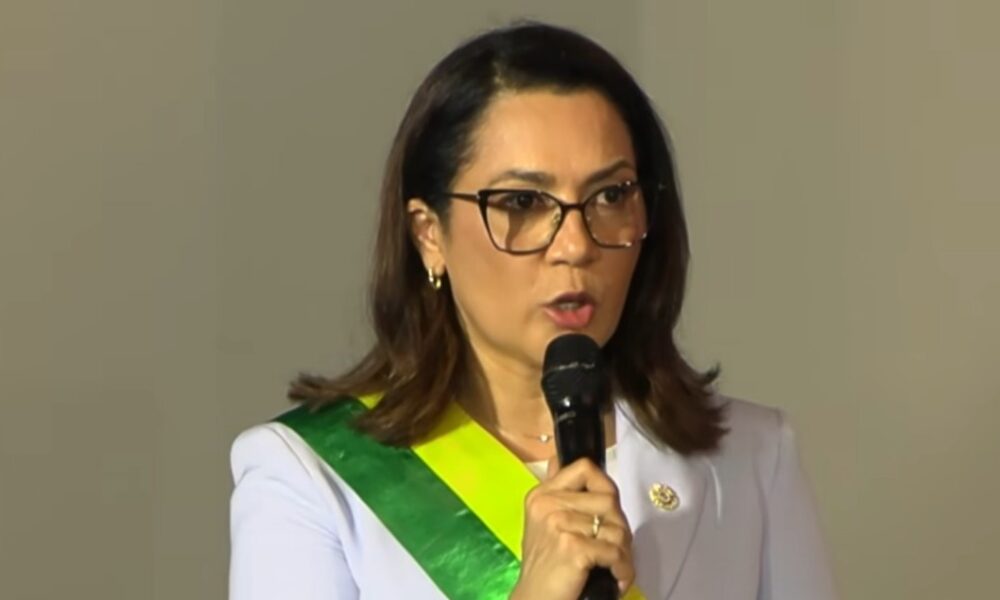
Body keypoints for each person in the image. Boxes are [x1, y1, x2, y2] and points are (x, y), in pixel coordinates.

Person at [228, 22, 838, 600]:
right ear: (429, 234)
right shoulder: (311, 476)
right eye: (522, 202)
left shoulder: (753, 460)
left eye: (610, 195)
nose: (575, 245)